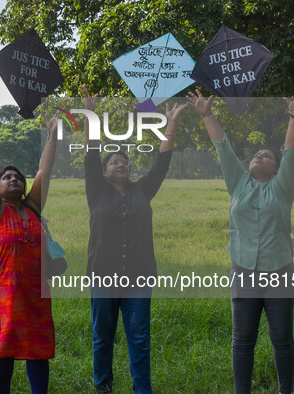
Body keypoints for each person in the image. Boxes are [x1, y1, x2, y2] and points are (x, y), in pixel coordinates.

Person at [187, 89, 294, 394]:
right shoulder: (239, 183)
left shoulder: (283, 187)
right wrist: (206, 113)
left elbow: (291, 150)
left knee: (281, 337)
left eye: (266, 156)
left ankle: (286, 391)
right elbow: (223, 147)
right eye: (257, 154)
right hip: (243, 272)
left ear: (275, 167)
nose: (259, 155)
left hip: (279, 272)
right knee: (242, 339)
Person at [81, 86, 187, 393]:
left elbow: (162, 163)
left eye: (124, 161)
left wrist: (171, 124)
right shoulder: (96, 192)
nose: (122, 163)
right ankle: (104, 386)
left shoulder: (143, 190)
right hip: (103, 277)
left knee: (139, 338)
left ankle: (143, 390)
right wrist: (91, 112)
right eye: (114, 162)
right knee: (102, 337)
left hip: (139, 278)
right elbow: (91, 151)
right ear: (103, 173)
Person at [0, 105, 58, 394]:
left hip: (36, 292)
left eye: (17, 176)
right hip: (4, 293)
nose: (12, 179)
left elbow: (45, 169)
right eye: (6, 178)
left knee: (38, 348)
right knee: (3, 347)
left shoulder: (32, 208)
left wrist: (53, 136)